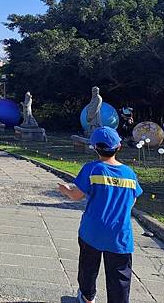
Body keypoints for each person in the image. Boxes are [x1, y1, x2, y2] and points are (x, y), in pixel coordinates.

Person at [58, 127, 143, 303]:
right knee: (120, 275)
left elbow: (76, 195)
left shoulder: (92, 169)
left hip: (92, 231)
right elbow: (133, 201)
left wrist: (65, 189)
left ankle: (87, 298)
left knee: (88, 267)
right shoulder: (129, 173)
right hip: (119, 233)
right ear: (119, 147)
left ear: (95, 147)